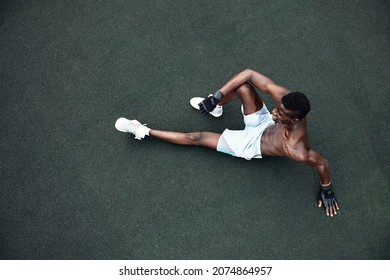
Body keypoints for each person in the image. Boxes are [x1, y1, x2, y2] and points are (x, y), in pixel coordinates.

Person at [115, 69, 339, 217]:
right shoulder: (285, 101)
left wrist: (326, 189)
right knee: (243, 87)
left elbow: (321, 163)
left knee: (197, 138)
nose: (274, 111)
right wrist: (216, 96)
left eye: (280, 113)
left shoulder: (296, 149)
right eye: (277, 107)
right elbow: (249, 73)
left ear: (295, 120)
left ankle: (141, 130)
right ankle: (215, 106)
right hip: (261, 124)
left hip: (251, 145)